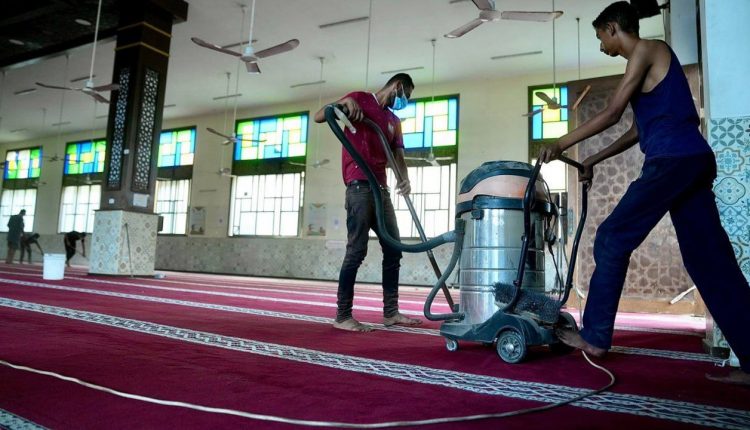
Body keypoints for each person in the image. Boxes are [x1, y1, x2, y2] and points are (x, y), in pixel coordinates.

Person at [538, 1, 750, 385]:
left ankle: (595, 337)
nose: (601, 45)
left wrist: (560, 142)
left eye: (601, 37)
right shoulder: (646, 70)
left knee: (612, 237)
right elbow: (636, 130)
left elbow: (613, 112)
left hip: (673, 161)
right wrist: (593, 159)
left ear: (613, 27)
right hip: (691, 161)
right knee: (709, 262)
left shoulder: (648, 49)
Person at [314, 73, 421, 332]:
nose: (404, 101)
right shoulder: (359, 99)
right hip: (359, 187)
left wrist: (404, 179)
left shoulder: (394, 121)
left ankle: (391, 313)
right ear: (397, 86)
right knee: (357, 251)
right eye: (406, 95)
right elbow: (319, 116)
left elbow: (398, 156)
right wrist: (341, 105)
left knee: (393, 250)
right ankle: (343, 315)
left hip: (382, 191)